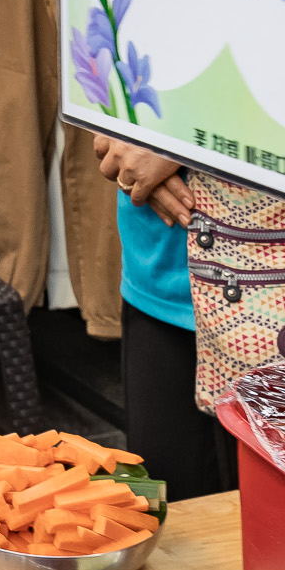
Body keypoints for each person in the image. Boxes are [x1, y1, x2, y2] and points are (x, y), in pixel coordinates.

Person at [94, 135, 240, 498]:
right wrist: (117, 137)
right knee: (168, 515)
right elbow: (97, 92)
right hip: (159, 267)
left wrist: (180, 141)